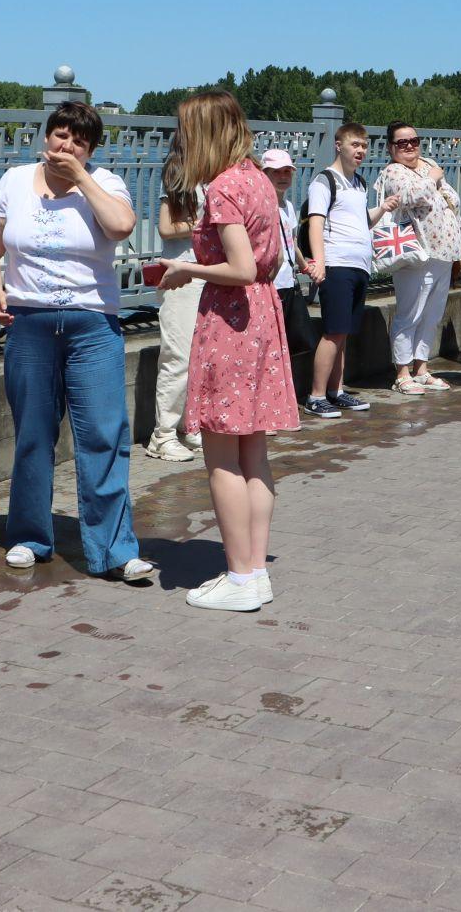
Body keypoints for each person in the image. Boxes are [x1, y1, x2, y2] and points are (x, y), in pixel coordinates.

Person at [0, 101, 154, 582]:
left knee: (103, 434)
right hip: (30, 322)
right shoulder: (14, 181)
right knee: (33, 434)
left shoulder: (105, 184)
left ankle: (115, 550)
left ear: (91, 147)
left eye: (79, 140)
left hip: (92, 324)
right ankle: (29, 536)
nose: (66, 145)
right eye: (60, 135)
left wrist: (82, 177)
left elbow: (120, 226)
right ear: (46, 136)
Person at [160, 92, 299, 612]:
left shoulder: (221, 187)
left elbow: (238, 268)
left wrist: (188, 269)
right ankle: (255, 571)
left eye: (186, 130)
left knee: (221, 455)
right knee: (253, 453)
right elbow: (269, 259)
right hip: (263, 315)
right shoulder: (259, 179)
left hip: (231, 319)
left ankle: (240, 577)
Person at [302, 122, 396, 418]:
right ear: (339, 145)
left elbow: (359, 221)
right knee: (333, 332)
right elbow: (316, 222)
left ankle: (336, 391)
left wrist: (382, 210)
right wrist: (318, 262)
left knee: (344, 334)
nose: (361, 151)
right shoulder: (324, 181)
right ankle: (315, 396)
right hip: (337, 265)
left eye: (364, 146)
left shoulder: (359, 183)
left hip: (359, 266)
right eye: (355, 145)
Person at [374, 123, 461, 394]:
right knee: (410, 312)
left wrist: (434, 183)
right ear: (391, 147)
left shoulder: (428, 165)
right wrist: (433, 180)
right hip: (416, 252)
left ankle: (421, 368)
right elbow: (411, 196)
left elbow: (453, 198)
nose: (410, 146)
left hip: (443, 251)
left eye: (414, 140)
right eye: (402, 143)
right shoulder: (392, 171)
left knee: (432, 314)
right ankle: (402, 372)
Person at [146, 145, 205, 462]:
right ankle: (163, 434)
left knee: (200, 356)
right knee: (178, 356)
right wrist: (205, 224)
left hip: (208, 274)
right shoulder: (178, 168)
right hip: (180, 275)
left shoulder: (214, 170)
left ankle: (188, 424)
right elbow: (166, 228)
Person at [259, 150, 317, 374]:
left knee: (287, 344)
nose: (283, 177)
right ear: (264, 174)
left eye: (287, 172)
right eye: (276, 172)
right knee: (270, 341)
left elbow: (291, 241)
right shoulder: (263, 205)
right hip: (271, 282)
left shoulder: (288, 207)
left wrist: (304, 266)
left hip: (287, 282)